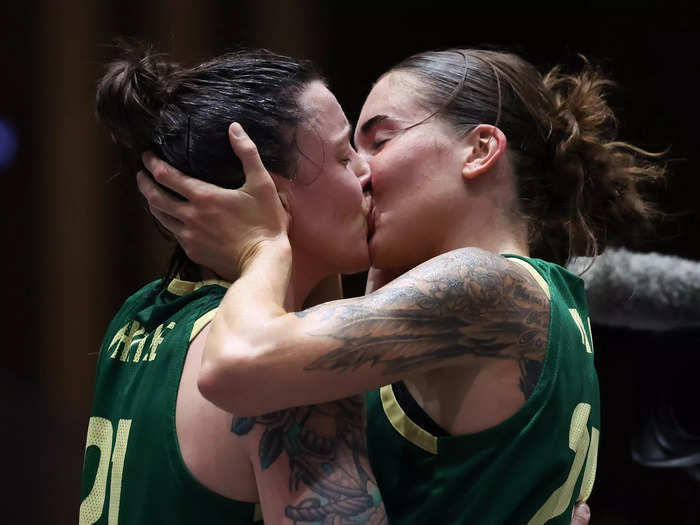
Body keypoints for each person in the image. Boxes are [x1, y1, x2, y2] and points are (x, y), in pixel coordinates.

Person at [138, 47, 665, 524]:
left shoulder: (487, 286)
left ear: (479, 150)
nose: (358, 173)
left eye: (380, 141)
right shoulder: (516, 297)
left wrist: (260, 249)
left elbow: (239, 367)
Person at [80, 44, 387, 525]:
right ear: (270, 194)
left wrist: (306, 248)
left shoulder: (137, 315)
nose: (368, 171)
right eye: (344, 155)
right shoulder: (278, 371)